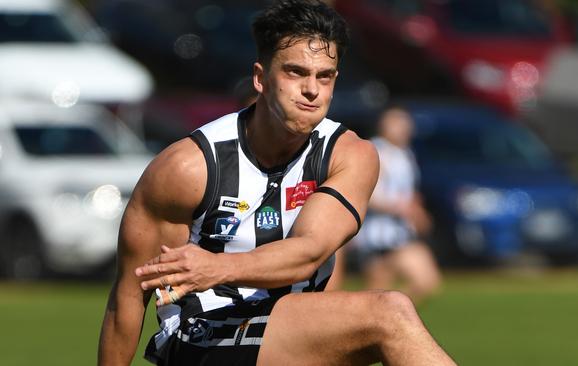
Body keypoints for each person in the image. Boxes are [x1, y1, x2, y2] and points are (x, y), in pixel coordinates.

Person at [98, 1, 456, 365]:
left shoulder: (349, 154)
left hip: (294, 329)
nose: (312, 90)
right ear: (261, 78)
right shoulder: (188, 168)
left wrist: (218, 267)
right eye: (296, 73)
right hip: (203, 336)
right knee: (389, 312)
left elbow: (310, 251)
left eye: (325, 76)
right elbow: (129, 295)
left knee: (388, 314)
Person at [351, 106, 442, 303]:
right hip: (377, 238)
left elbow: (405, 193)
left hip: (401, 235)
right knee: (376, 296)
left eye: (405, 123)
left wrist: (416, 210)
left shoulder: (405, 154)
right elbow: (366, 194)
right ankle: (380, 322)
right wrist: (401, 208)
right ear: (383, 125)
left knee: (426, 282)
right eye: (396, 123)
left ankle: (389, 318)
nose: (403, 128)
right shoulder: (377, 151)